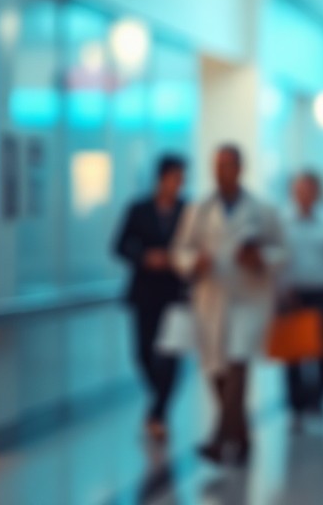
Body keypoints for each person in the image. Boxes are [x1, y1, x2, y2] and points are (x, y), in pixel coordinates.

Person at [172, 144, 286, 466]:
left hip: (249, 299)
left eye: (228, 165)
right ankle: (243, 437)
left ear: (240, 168)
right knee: (217, 372)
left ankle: (219, 439)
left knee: (237, 365)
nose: (222, 171)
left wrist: (259, 258)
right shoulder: (199, 209)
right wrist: (195, 261)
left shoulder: (262, 209)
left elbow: (282, 251)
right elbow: (180, 249)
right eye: (217, 165)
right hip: (212, 299)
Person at [113, 154, 188, 441]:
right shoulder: (139, 209)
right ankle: (160, 402)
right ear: (162, 178)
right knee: (143, 353)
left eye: (182, 180)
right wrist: (145, 257)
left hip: (176, 294)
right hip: (145, 293)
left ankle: (157, 413)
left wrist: (176, 259)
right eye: (175, 178)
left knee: (171, 356)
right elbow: (119, 245)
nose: (179, 185)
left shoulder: (187, 210)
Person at [279, 170, 323, 430]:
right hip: (293, 295)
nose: (303, 195)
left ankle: (318, 400)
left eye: (308, 190)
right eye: (299, 190)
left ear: (317, 192)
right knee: (294, 354)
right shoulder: (283, 221)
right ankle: (296, 406)